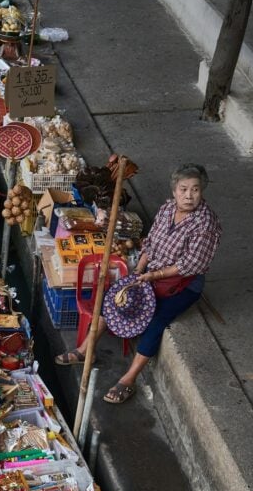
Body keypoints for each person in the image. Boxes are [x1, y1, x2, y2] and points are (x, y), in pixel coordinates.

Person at [56, 163, 222, 404]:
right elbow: (151, 243)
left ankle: (128, 379)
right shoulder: (167, 209)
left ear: (202, 192)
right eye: (183, 189)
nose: (189, 195)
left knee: (156, 321)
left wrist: (152, 277)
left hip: (181, 285)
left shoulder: (205, 224)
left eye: (195, 190)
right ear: (174, 191)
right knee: (114, 297)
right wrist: (137, 272)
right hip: (151, 274)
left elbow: (190, 265)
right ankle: (85, 351)